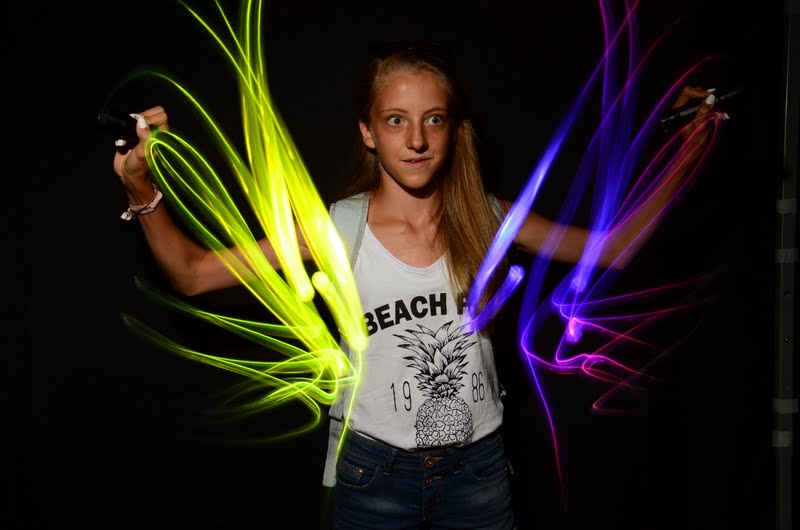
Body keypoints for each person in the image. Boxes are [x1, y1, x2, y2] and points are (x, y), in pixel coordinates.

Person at [112, 41, 719, 529]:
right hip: (373, 475)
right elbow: (192, 274)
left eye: (434, 119)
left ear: (454, 129)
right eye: (396, 120)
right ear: (368, 132)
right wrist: (142, 189)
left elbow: (612, 248)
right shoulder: (336, 227)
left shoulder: (488, 218)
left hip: (479, 473)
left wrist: (688, 144)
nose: (417, 139)